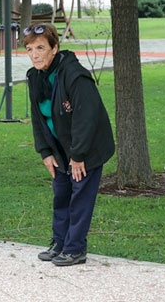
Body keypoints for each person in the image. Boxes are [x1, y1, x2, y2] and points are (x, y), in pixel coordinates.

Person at [24, 23, 115, 267]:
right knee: (61, 194)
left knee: (80, 197)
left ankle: (75, 249)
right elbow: (38, 118)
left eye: (40, 48)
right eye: (30, 49)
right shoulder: (34, 77)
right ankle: (59, 242)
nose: (34, 54)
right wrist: (44, 151)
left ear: (54, 48)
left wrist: (78, 156)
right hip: (59, 148)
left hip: (87, 148)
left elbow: (87, 118)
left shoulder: (75, 75)